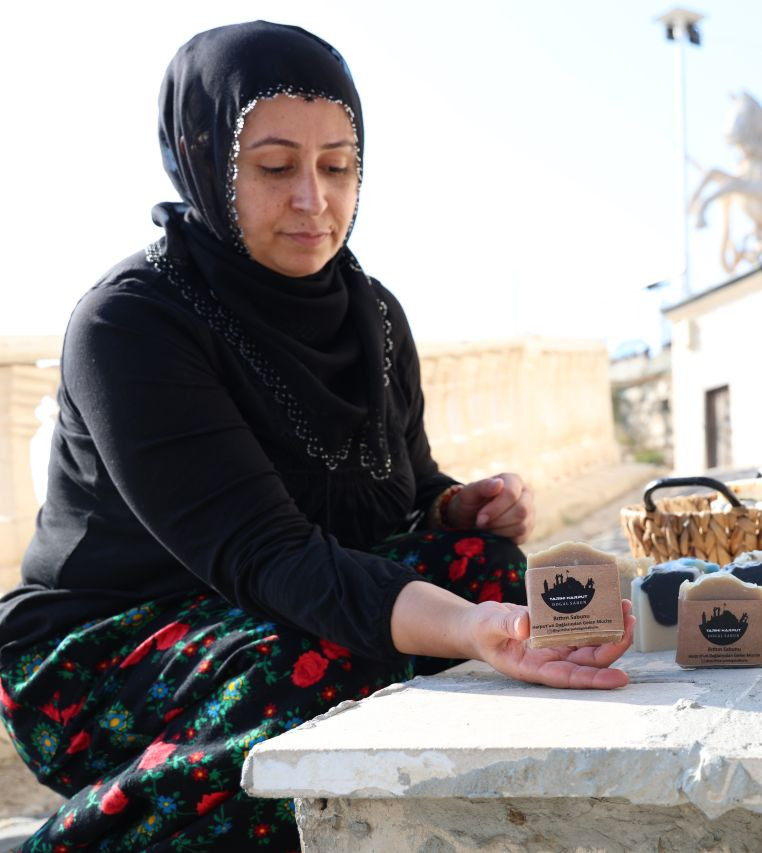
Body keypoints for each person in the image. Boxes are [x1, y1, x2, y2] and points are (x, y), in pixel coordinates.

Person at [0, 21, 633, 852]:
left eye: (337, 166)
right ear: (201, 158)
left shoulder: (372, 314)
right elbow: (267, 552)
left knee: (483, 572)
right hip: (107, 649)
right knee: (316, 669)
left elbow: (397, 492)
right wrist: (478, 633)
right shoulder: (132, 324)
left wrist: (453, 508)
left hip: (277, 607)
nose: (313, 199)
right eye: (273, 168)